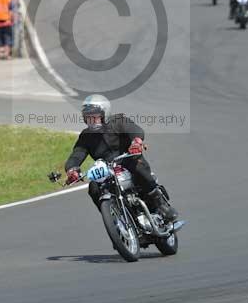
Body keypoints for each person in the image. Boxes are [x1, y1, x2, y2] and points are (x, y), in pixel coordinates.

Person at [64, 94, 178, 222]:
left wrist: (136, 142)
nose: (91, 119)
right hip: (108, 171)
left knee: (137, 166)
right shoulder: (85, 136)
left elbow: (135, 130)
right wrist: (72, 169)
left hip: (128, 159)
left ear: (104, 113)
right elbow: (77, 154)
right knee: (93, 186)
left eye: (94, 116)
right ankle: (114, 220)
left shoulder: (118, 121)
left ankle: (160, 203)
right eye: (88, 117)